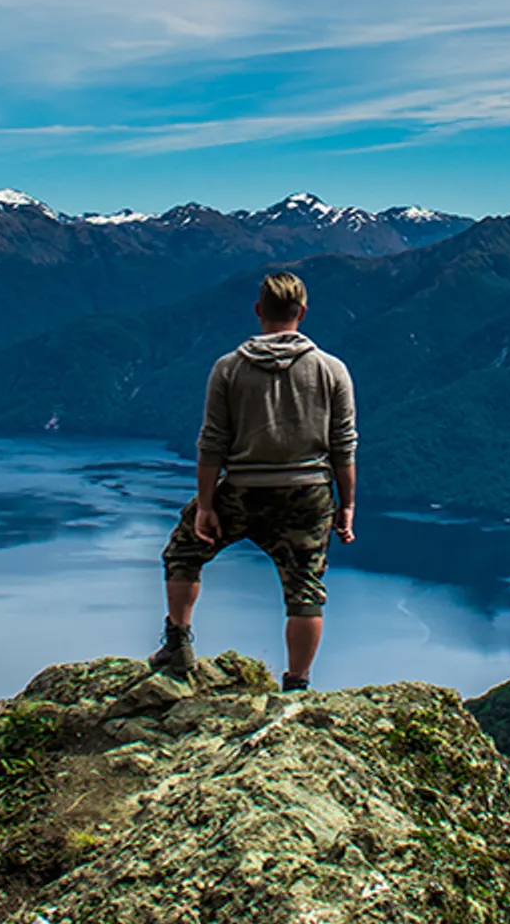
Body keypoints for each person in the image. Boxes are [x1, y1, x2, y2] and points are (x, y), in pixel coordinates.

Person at [150, 270, 357, 691]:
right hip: (309, 493)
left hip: (243, 489)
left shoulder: (228, 368)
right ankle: (297, 685)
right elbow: (343, 445)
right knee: (305, 589)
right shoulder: (332, 370)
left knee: (183, 552)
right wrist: (347, 504)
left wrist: (206, 505)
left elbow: (212, 442)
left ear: (259, 310)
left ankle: (178, 645)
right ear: (302, 312)